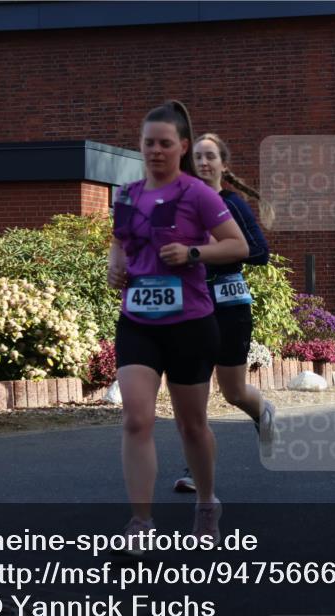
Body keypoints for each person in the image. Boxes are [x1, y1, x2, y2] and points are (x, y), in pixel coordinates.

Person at [108, 101, 248, 549]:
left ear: (182, 146)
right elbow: (119, 242)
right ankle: (141, 522)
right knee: (136, 418)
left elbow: (238, 246)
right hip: (138, 321)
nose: (155, 151)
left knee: (191, 425)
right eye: (148, 143)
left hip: (190, 322)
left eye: (165, 143)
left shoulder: (199, 194)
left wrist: (193, 254)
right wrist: (115, 267)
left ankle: (207, 502)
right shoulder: (128, 195)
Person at [172, 132, 275, 493]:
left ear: (223, 165)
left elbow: (260, 253)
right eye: (197, 156)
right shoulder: (182, 201)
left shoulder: (233, 203)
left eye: (209, 156)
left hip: (230, 303)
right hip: (191, 305)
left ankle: (262, 411)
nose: (202, 162)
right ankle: (194, 468)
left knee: (233, 392)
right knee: (194, 391)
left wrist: (217, 248)